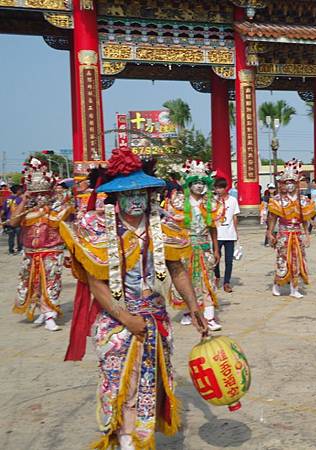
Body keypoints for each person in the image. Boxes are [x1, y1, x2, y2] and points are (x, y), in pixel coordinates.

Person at [59, 149, 209, 449]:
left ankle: (140, 438)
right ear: (116, 198)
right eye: (129, 194)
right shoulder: (98, 227)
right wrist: (126, 318)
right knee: (120, 384)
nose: (137, 199)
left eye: (142, 192)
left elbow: (177, 268)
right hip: (117, 320)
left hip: (155, 316)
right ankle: (125, 439)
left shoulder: (162, 223)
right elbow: (95, 281)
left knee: (149, 383)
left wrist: (195, 308)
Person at [11, 158, 71, 331]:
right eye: (36, 194)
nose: (39, 197)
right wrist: (24, 200)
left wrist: (49, 206)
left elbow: (62, 219)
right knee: (32, 283)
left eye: (43, 194)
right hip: (30, 252)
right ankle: (41, 311)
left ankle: (49, 315)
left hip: (51, 251)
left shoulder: (57, 206)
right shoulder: (26, 207)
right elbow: (13, 222)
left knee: (51, 282)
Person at [165, 161, 223, 330]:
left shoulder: (210, 203)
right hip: (184, 248)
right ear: (189, 184)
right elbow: (172, 227)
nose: (199, 186)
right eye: (196, 182)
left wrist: (216, 248)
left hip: (204, 248)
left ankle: (209, 316)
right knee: (186, 280)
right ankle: (187, 312)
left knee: (208, 282)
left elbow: (213, 229)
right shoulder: (178, 203)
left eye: (202, 183)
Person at [267, 159, 316, 298]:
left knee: (298, 260)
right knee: (283, 260)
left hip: (297, 233)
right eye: (286, 182)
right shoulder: (277, 200)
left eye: (291, 182)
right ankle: (277, 284)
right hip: (283, 233)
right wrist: (270, 233)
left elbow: (305, 220)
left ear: (296, 183)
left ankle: (294, 289)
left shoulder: (303, 200)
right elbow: (273, 218)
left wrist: (307, 235)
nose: (289, 185)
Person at [214, 176, 240, 293]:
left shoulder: (233, 200)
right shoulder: (213, 201)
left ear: (226, 188)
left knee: (229, 260)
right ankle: (216, 277)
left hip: (229, 235)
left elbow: (234, 217)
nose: (218, 190)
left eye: (220, 188)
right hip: (217, 235)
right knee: (215, 259)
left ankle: (227, 282)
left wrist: (236, 232)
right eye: (216, 188)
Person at [2, 184, 24, 255]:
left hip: (9, 220)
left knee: (11, 237)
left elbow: (3, 211)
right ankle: (19, 249)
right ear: (18, 191)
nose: (22, 191)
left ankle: (11, 250)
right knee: (19, 236)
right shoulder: (20, 199)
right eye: (21, 190)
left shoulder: (7, 199)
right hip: (17, 221)